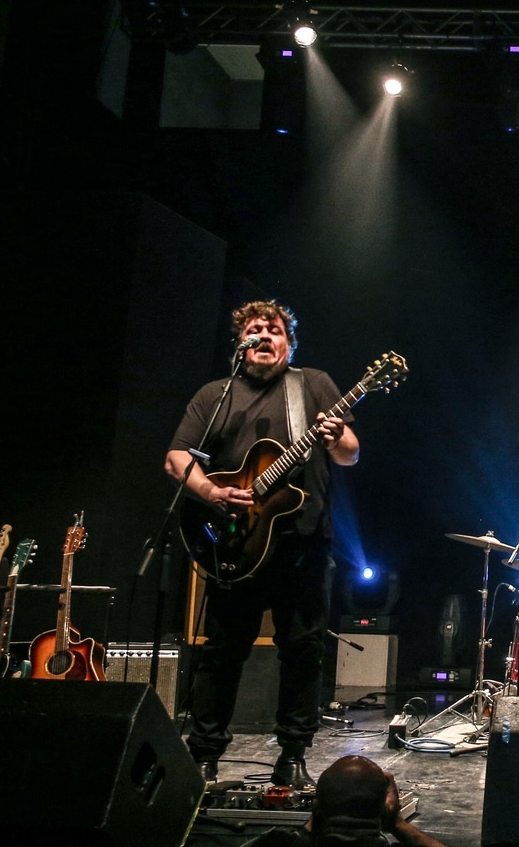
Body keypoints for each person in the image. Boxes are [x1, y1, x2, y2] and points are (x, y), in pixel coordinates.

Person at [166, 300, 359, 789]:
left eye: (274, 330)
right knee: (222, 651)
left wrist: (337, 437)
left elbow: (349, 454)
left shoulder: (312, 384)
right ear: (241, 344)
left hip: (303, 543)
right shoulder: (216, 394)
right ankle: (204, 753)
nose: (265, 336)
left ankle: (292, 754)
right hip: (235, 544)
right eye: (255, 330)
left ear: (289, 344)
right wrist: (210, 491)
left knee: (303, 651)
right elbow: (176, 457)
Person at [241, 754, 447, 847]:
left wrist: (311, 824)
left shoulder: (280, 843)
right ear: (383, 812)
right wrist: (398, 824)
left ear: (316, 806)